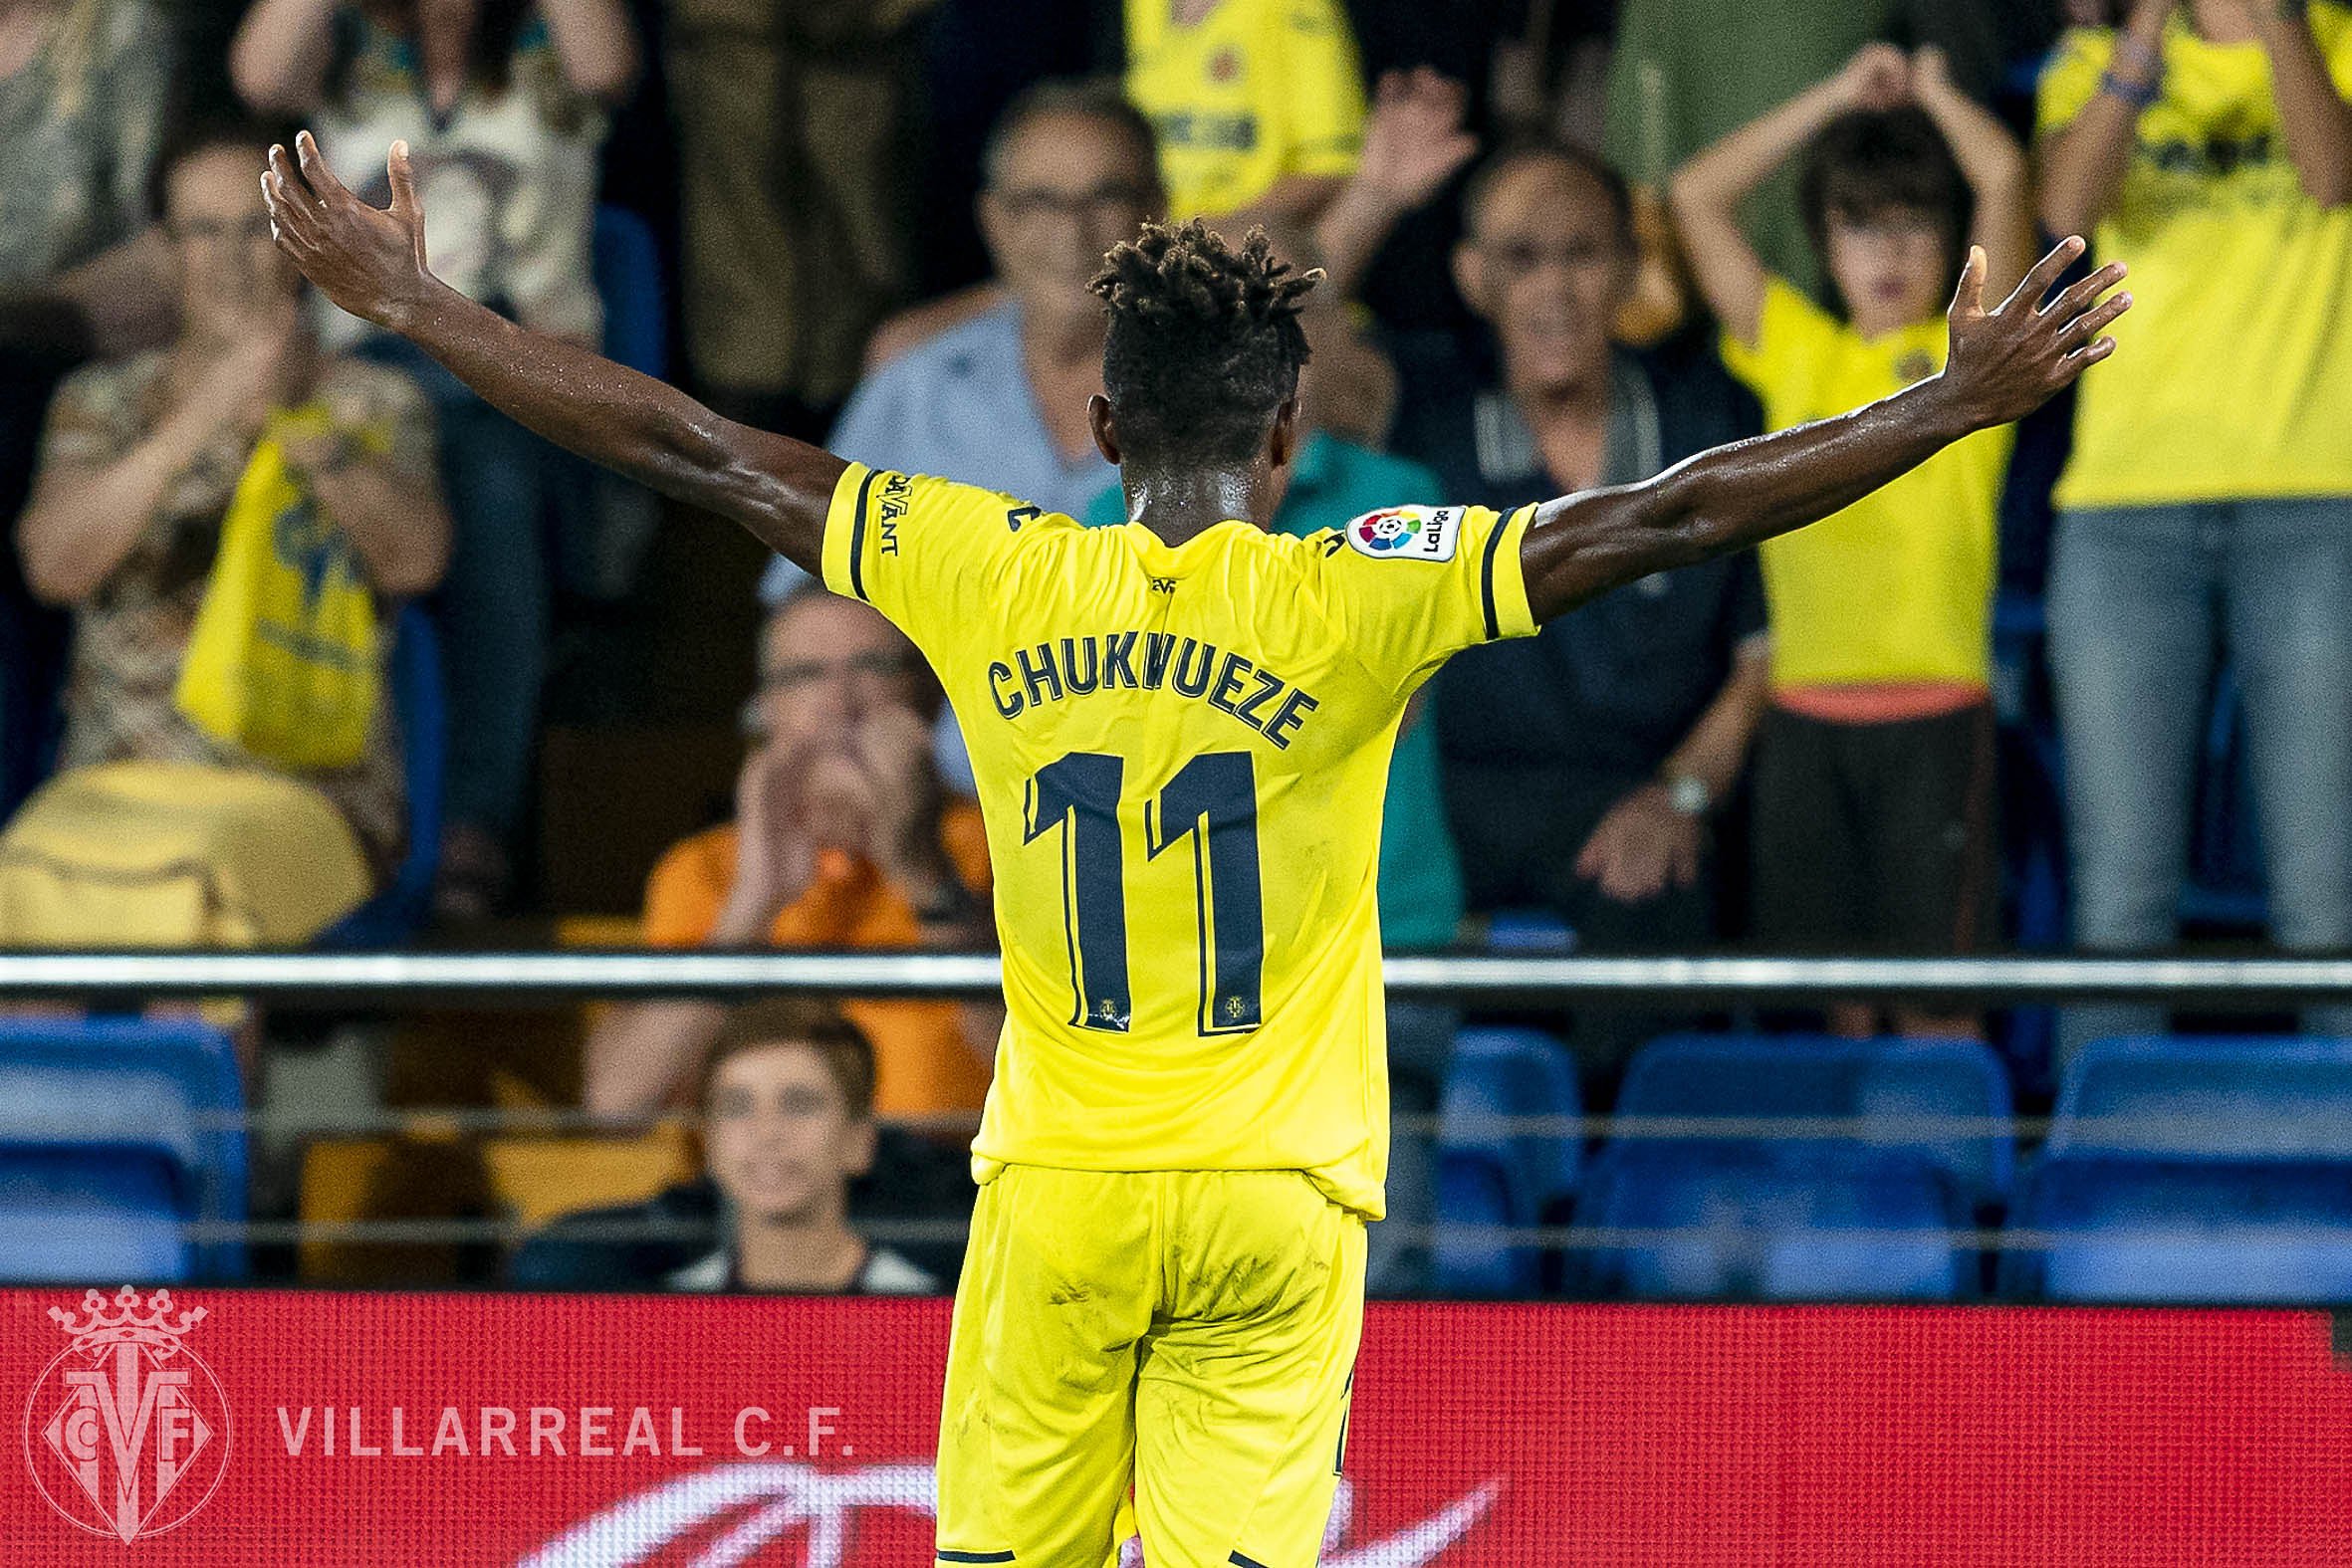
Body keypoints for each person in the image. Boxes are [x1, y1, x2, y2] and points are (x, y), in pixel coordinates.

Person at [264, 121, 2125, 1561]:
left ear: (1094, 423)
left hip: (1060, 1183)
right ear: (1287, 430)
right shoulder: (1358, 586)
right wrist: (1949, 403)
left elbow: (690, 450)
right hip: (1274, 1198)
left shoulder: (982, 560)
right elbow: (1664, 515)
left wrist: (419, 307)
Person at [1078, 270, 1462, 1297]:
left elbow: (1381, 705)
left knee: (1375, 1294)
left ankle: (1360, 1467)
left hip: (1379, 947)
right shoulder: (1084, 529)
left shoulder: (1401, 502)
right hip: (1169, 976)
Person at [232, 0, 640, 920]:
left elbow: (608, 66)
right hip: (364, 361)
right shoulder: (342, 54)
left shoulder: (549, 49)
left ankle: (472, 827)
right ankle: (318, 813)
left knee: (490, 493)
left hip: (521, 360)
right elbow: (257, 78)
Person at [2, 123, 448, 951]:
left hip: (304, 785)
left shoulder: (375, 401)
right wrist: (208, 411)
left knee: (201, 904)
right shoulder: (101, 402)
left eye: (258, 227)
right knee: (21, 891)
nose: (230, 257)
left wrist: (292, 419)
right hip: (114, 780)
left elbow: (416, 559)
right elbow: (54, 567)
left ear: (299, 243)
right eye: (201, 233)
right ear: (165, 254)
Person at [1672, 45, 2031, 1033]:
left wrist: (1936, 93)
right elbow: (1694, 197)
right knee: (1827, 1007)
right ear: (1824, 246)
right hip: (1800, 715)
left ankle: (1943, 1184)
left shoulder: (1973, 362)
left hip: (1938, 711)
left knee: (1938, 1005)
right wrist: (1831, 96)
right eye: (1858, 226)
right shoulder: (1797, 350)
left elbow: (2003, 175)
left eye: (1914, 224)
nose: (1888, 252)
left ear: (1950, 242)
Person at [1393, 141, 1769, 1086]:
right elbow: (1293, 335)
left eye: (1582, 254)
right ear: (1473, 277)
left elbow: (1763, 656)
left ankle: (1626, 1204)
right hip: (1456, 801)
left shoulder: (1708, 421)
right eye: (1522, 259)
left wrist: (1680, 794)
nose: (1554, 288)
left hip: (1639, 791)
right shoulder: (1420, 432)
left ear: (1632, 266)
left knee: (1663, 891)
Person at [2035, 0, 2352, 1055]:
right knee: (2119, 895)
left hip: (2317, 497)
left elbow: (2331, 175)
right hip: (2125, 508)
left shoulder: (2341, 38)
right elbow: (2067, 210)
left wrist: (2272, 18)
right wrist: (2144, 33)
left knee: (2326, 894)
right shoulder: (2089, 60)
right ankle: (2099, 1183)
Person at [582, 582, 996, 1122]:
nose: (840, 705)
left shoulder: (1005, 843)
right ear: (765, 710)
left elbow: (1058, 1073)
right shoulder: (706, 868)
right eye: (805, 675)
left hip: (949, 1192)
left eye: (874, 667)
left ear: (934, 695)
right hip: (756, 1195)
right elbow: (616, 1108)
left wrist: (922, 872)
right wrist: (750, 904)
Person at [512, 997, 943, 1293]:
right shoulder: (665, 1319)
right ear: (710, 1142)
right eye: (737, 1106)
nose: (767, 1131)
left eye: (799, 1103)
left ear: (858, 1139)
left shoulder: (939, 1318)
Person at [1124, 0, 1368, 226]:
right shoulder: (1143, 7)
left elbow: (1331, 168)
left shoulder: (1300, 6)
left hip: (1246, 258)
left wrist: (1206, 243)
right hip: (1149, 251)